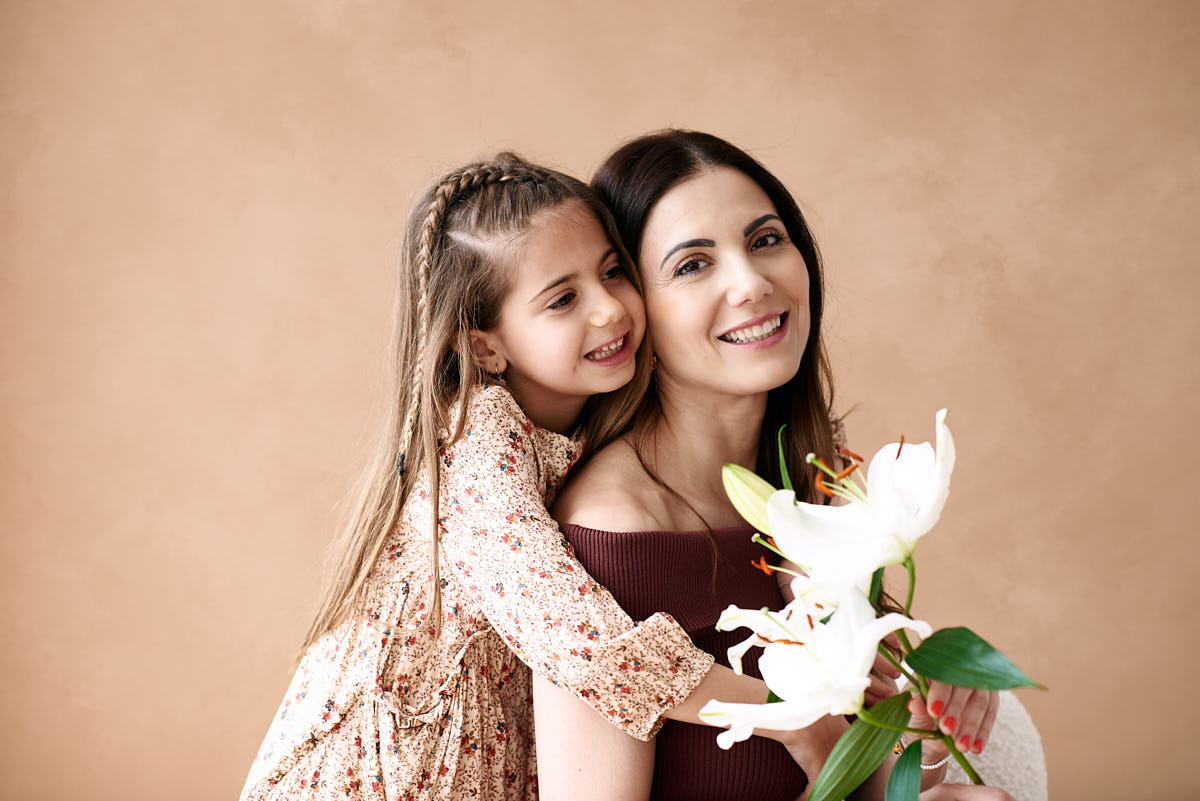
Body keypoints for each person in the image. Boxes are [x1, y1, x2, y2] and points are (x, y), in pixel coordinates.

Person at [239, 152, 855, 801]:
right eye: (563, 298)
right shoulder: (476, 438)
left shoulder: (589, 420)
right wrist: (782, 714)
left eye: (614, 273)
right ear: (483, 346)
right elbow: (578, 638)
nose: (610, 310)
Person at [536, 130, 1003, 801]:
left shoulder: (812, 487)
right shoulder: (613, 536)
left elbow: (853, 786)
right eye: (692, 265)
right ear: (630, 313)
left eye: (765, 240)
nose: (752, 283)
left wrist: (927, 727)